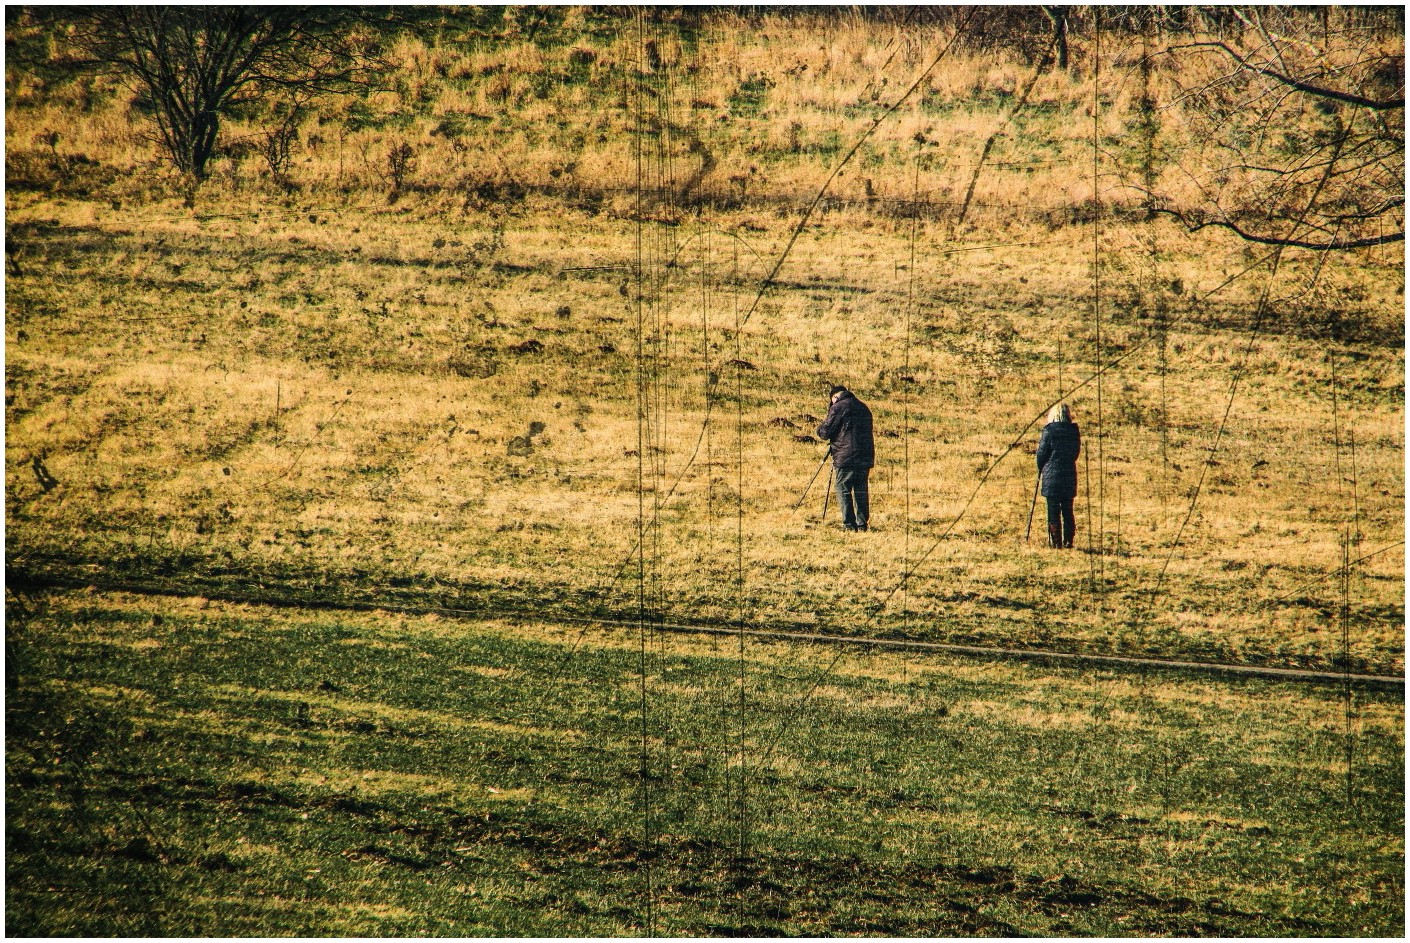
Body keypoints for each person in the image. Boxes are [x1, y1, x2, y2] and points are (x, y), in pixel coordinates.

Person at [816, 384, 874, 531]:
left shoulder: (838, 407)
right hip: (865, 455)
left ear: (835, 397)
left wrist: (819, 428)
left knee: (843, 488)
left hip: (846, 455)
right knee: (861, 489)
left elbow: (825, 432)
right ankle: (862, 524)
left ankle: (849, 524)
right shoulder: (864, 407)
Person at [1036, 402, 1080, 548]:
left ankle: (1056, 544)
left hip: (1051, 477)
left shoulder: (1049, 431)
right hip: (1069, 475)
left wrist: (1041, 467)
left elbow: (1041, 454)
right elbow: (1075, 453)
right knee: (1068, 510)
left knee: (1053, 511)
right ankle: (1068, 542)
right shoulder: (1074, 432)